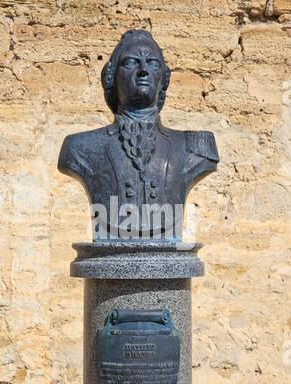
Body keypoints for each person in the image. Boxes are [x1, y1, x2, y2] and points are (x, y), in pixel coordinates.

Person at [58, 29, 219, 240]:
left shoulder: (194, 149)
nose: (143, 70)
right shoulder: (79, 148)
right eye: (131, 63)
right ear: (111, 78)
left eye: (153, 63)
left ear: (163, 79)